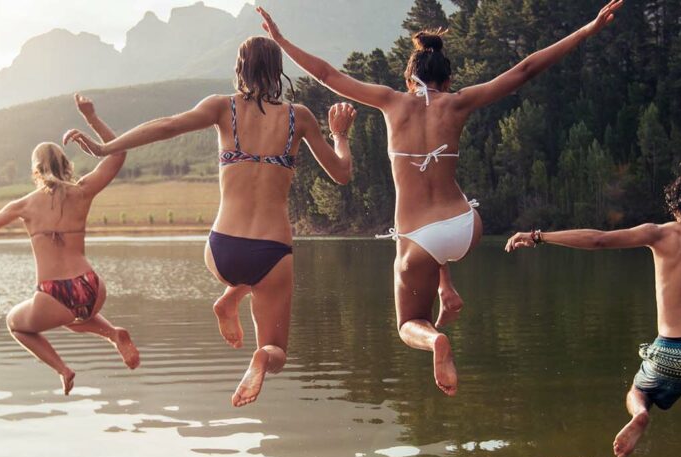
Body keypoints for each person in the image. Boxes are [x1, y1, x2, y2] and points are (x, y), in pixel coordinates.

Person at [257, 1, 624, 396]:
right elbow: (526, 69)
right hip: (466, 226)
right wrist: (587, 29)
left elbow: (327, 73)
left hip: (421, 238)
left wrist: (280, 40)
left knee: (407, 323)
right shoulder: (459, 102)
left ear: (409, 78)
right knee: (436, 226)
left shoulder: (390, 101)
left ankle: (435, 340)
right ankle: (445, 288)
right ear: (447, 81)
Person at [64, 36, 356, 407]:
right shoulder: (300, 117)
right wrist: (340, 135)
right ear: (277, 71)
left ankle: (229, 297)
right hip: (273, 252)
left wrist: (107, 147)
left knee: (240, 275)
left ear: (240, 69)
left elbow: (168, 125)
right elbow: (342, 173)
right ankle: (260, 355)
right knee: (275, 349)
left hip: (222, 249)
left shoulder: (223, 108)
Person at [0, 94, 140, 395]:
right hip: (91, 286)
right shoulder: (82, 191)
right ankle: (112, 333)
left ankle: (64, 369)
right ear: (67, 166)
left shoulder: (23, 205)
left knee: (16, 323)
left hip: (53, 294)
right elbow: (118, 154)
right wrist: (91, 118)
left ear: (35, 171)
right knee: (72, 317)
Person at [506, 171, 681, 457]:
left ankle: (640, 414)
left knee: (638, 393)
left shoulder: (663, 234)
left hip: (672, 349)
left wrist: (538, 236)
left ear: (677, 207)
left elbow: (599, 240)